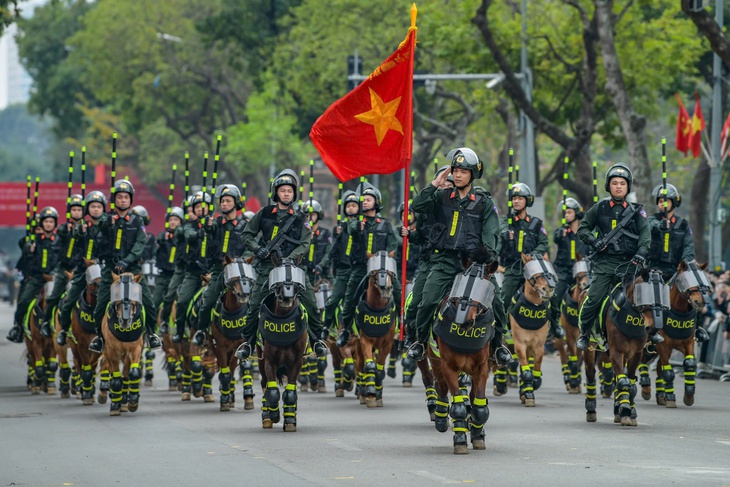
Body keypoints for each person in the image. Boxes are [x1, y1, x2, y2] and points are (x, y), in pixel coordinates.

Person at [405, 148, 512, 366]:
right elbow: (416, 206)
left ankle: (499, 345)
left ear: (473, 174)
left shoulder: (484, 202)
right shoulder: (441, 196)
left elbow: (491, 234)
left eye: (464, 171)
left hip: (473, 265)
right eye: (456, 170)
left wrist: (485, 261)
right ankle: (419, 342)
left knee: (498, 302)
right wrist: (435, 183)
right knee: (426, 303)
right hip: (444, 262)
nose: (458, 174)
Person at [235, 169, 328, 359]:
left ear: (294, 194)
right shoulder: (265, 213)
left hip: (294, 267)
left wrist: (291, 258)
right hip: (268, 267)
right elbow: (246, 234)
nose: (286, 194)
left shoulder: (302, 218)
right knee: (253, 304)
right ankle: (248, 343)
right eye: (283, 190)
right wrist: (257, 249)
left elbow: (305, 243)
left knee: (311, 302)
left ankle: (317, 340)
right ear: (276, 192)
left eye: (290, 191)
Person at [576, 163, 655, 351]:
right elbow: (583, 229)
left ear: (628, 187)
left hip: (630, 265)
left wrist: (641, 253)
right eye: (614, 183)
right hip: (605, 265)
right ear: (608, 186)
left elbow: (646, 235)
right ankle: (585, 333)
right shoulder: (599, 208)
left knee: (649, 297)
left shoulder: (637, 211)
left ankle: (653, 334)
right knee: (593, 299)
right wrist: (595, 242)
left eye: (622, 183)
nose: (618, 186)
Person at [89, 180, 161, 353]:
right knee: (100, 305)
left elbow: (140, 244)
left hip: (133, 270)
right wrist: (109, 222)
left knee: (149, 304)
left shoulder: (138, 221)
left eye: (126, 197)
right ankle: (99, 337)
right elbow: (98, 229)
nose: (123, 200)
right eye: (119, 197)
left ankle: (152, 334)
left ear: (131, 200)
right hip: (110, 271)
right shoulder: (106, 218)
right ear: (114, 199)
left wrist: (127, 260)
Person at [335, 182, 401, 347]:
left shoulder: (385, 224)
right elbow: (351, 229)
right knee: (350, 297)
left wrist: (388, 254)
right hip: (360, 268)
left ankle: (403, 328)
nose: (365, 202)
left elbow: (393, 244)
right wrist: (358, 226)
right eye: (362, 200)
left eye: (369, 199)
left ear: (376, 202)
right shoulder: (355, 222)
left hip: (382, 269)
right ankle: (346, 329)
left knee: (399, 292)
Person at [647, 183, 709, 342]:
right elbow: (649, 227)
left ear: (674, 203)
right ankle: (650, 328)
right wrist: (659, 226)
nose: (662, 203)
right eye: (660, 201)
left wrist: (685, 265)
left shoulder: (683, 224)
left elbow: (689, 248)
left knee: (695, 289)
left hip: (677, 270)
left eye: (666, 201)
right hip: (654, 269)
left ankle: (697, 327)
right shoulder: (652, 219)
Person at [401, 167, 454, 349]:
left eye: (449, 184)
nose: (445, 187)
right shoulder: (426, 209)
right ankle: (414, 336)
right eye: (443, 183)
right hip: (428, 262)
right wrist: (410, 234)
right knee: (416, 303)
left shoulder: (459, 209)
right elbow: (421, 237)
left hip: (454, 263)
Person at [192, 184, 246, 346]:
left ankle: (253, 336)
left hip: (238, 272)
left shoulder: (244, 226)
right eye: (222, 201)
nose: (224, 204)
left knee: (254, 301)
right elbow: (210, 228)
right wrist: (207, 225)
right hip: (219, 272)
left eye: (228, 201)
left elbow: (251, 249)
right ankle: (201, 331)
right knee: (207, 301)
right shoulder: (215, 223)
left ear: (236, 203)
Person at [56, 191, 107, 346]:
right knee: (67, 301)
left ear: (103, 208)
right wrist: (79, 231)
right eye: (92, 206)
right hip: (83, 271)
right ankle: (64, 330)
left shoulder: (109, 227)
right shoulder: (81, 228)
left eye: (99, 206)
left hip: (104, 271)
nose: (96, 209)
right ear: (87, 210)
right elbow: (72, 248)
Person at [498, 182, 551, 323]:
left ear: (527, 201)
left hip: (533, 269)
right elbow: (501, 230)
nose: (516, 201)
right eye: (514, 198)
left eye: (520, 198)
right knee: (505, 298)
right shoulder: (506, 221)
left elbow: (544, 243)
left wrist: (532, 255)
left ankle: (552, 326)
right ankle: (500, 330)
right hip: (512, 269)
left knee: (549, 295)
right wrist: (505, 233)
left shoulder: (536, 223)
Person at [8, 207, 60, 343]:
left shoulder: (59, 241)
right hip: (37, 279)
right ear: (42, 224)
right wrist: (29, 249)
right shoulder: (32, 240)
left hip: (54, 279)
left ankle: (66, 330)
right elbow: (25, 256)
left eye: (51, 221)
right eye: (46, 221)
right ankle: (17, 327)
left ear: (55, 224)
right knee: (24, 300)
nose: (48, 224)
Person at [172, 191, 212, 343]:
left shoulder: (214, 224)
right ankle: (179, 330)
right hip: (194, 273)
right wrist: (200, 232)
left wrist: (210, 228)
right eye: (197, 207)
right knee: (182, 301)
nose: (200, 209)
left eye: (204, 206)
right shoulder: (189, 226)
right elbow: (189, 235)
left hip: (212, 272)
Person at [43, 195, 85, 337]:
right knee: (54, 296)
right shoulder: (63, 229)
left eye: (80, 209)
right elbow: (55, 250)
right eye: (74, 209)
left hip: (81, 269)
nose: (77, 212)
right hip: (64, 269)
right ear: (70, 212)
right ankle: (46, 322)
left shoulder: (88, 228)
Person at [549, 198, 589, 339]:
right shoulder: (562, 231)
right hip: (564, 272)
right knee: (554, 296)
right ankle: (554, 326)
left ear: (577, 213)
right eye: (565, 213)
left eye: (569, 212)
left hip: (582, 272)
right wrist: (560, 234)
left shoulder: (585, 232)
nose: (566, 215)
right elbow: (555, 237)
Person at [321, 190, 359, 335]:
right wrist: (336, 235)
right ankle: (326, 326)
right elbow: (333, 251)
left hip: (357, 269)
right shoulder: (339, 227)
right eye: (348, 205)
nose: (350, 208)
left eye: (354, 205)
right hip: (343, 270)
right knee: (332, 301)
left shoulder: (362, 225)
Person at [152, 206, 184, 334]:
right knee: (154, 303)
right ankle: (151, 331)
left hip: (178, 275)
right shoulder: (163, 235)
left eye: (176, 220)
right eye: (170, 220)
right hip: (163, 276)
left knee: (176, 302)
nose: (172, 222)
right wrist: (163, 239)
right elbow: (158, 241)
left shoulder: (184, 236)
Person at [301, 200, 333, 284]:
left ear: (318, 216)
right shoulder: (300, 234)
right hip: (304, 272)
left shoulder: (326, 233)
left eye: (313, 215)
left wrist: (321, 265)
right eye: (308, 215)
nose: (310, 217)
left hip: (322, 272)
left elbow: (328, 252)